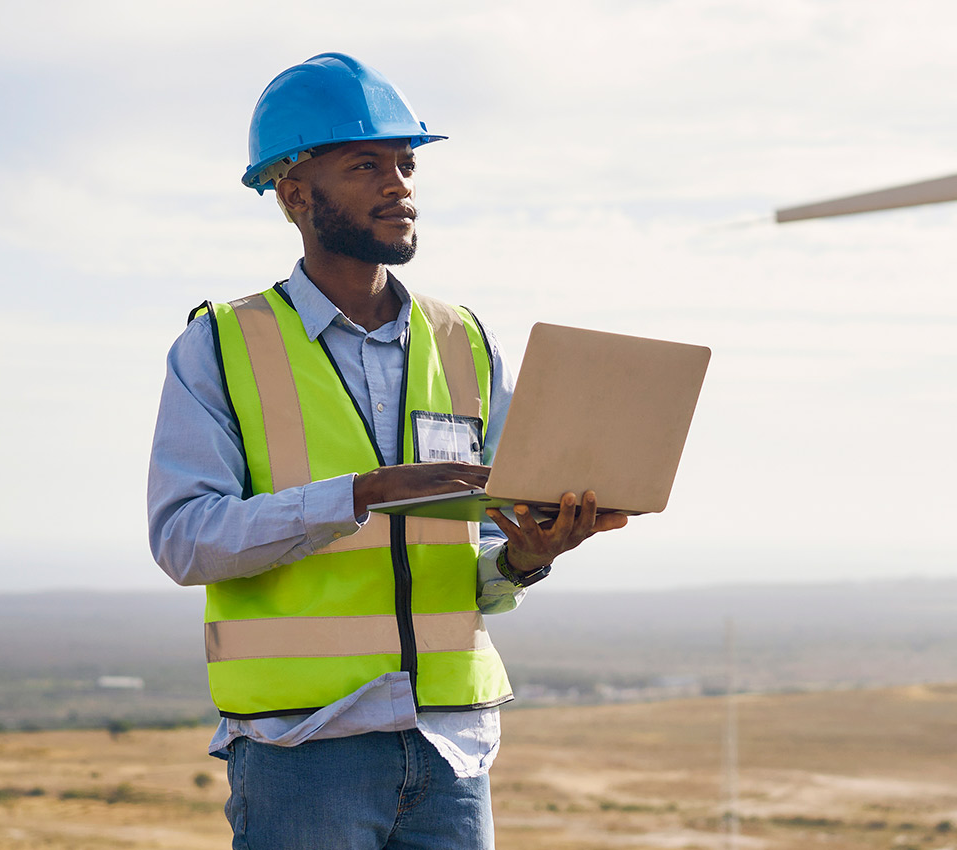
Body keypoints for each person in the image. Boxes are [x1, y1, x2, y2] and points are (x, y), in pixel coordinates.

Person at [145, 53, 629, 850]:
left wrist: (522, 558)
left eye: (406, 164)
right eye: (365, 165)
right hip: (304, 749)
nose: (399, 184)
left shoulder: (465, 341)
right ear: (294, 193)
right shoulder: (220, 347)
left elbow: (468, 553)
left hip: (449, 749)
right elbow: (183, 540)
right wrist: (361, 494)